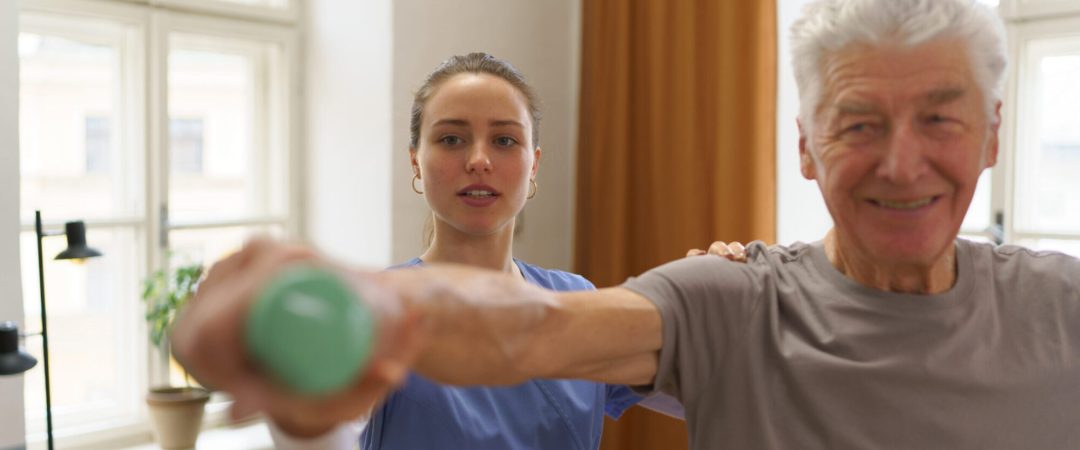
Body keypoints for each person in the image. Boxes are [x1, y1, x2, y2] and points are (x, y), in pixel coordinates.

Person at [172, 0, 1080, 449]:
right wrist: (357, 304)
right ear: (805, 146)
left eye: (940, 117)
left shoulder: (1061, 305)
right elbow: (523, 327)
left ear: (995, 132)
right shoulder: (725, 301)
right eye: (859, 124)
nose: (900, 163)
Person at [267, 52, 738, 449]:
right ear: (416, 159)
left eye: (505, 140)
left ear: (533, 165)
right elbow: (314, 424)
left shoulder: (577, 301)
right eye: (451, 138)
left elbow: (724, 400)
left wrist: (710, 305)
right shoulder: (378, 309)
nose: (478, 160)